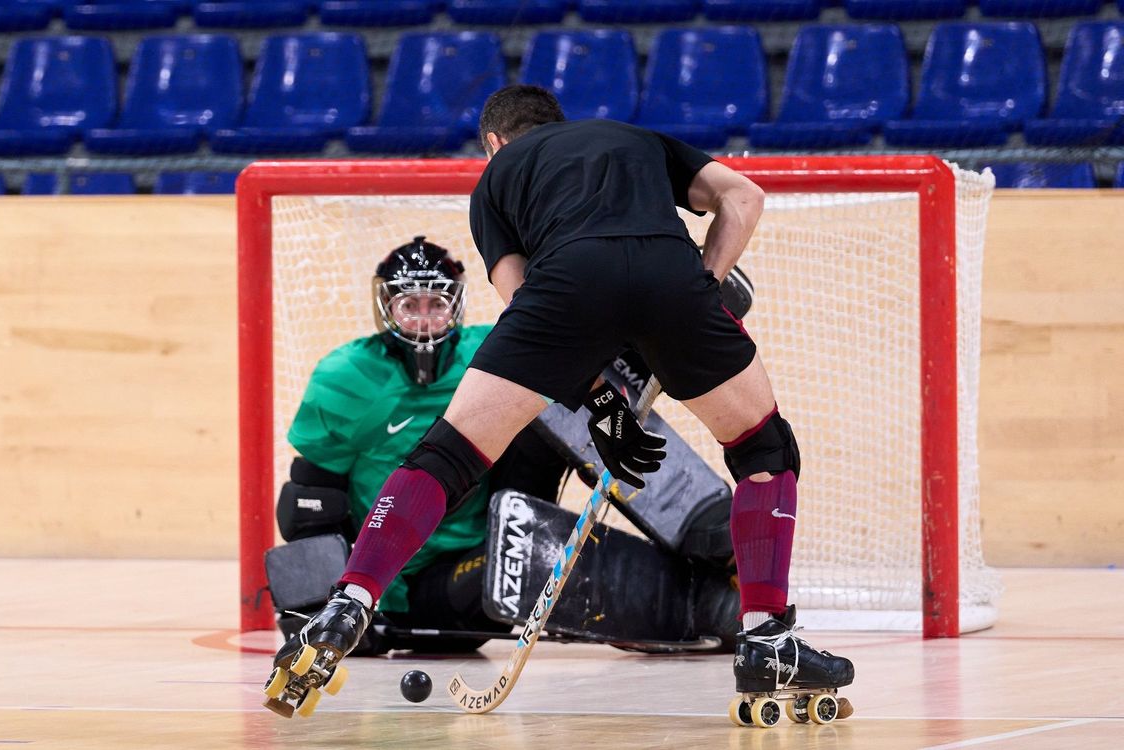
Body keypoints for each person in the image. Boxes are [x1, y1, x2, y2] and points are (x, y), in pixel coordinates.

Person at [268, 84, 853, 713]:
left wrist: (598, 404)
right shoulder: (638, 139)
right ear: (559, 123)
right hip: (669, 271)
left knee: (447, 455)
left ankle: (349, 601)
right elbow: (744, 196)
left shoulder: (496, 180)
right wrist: (703, 283)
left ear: (493, 142)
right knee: (764, 448)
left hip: (564, 286)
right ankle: (768, 638)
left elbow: (521, 303)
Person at [268, 235, 741, 659]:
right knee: (518, 560)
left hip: (499, 506)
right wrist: (331, 605)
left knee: (563, 376)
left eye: (437, 304)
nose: (425, 320)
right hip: (419, 582)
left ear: (456, 306)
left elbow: (576, 346)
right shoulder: (345, 378)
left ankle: (709, 531)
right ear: (386, 308)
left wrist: (671, 317)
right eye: (410, 305)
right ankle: (707, 606)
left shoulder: (484, 348)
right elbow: (310, 506)